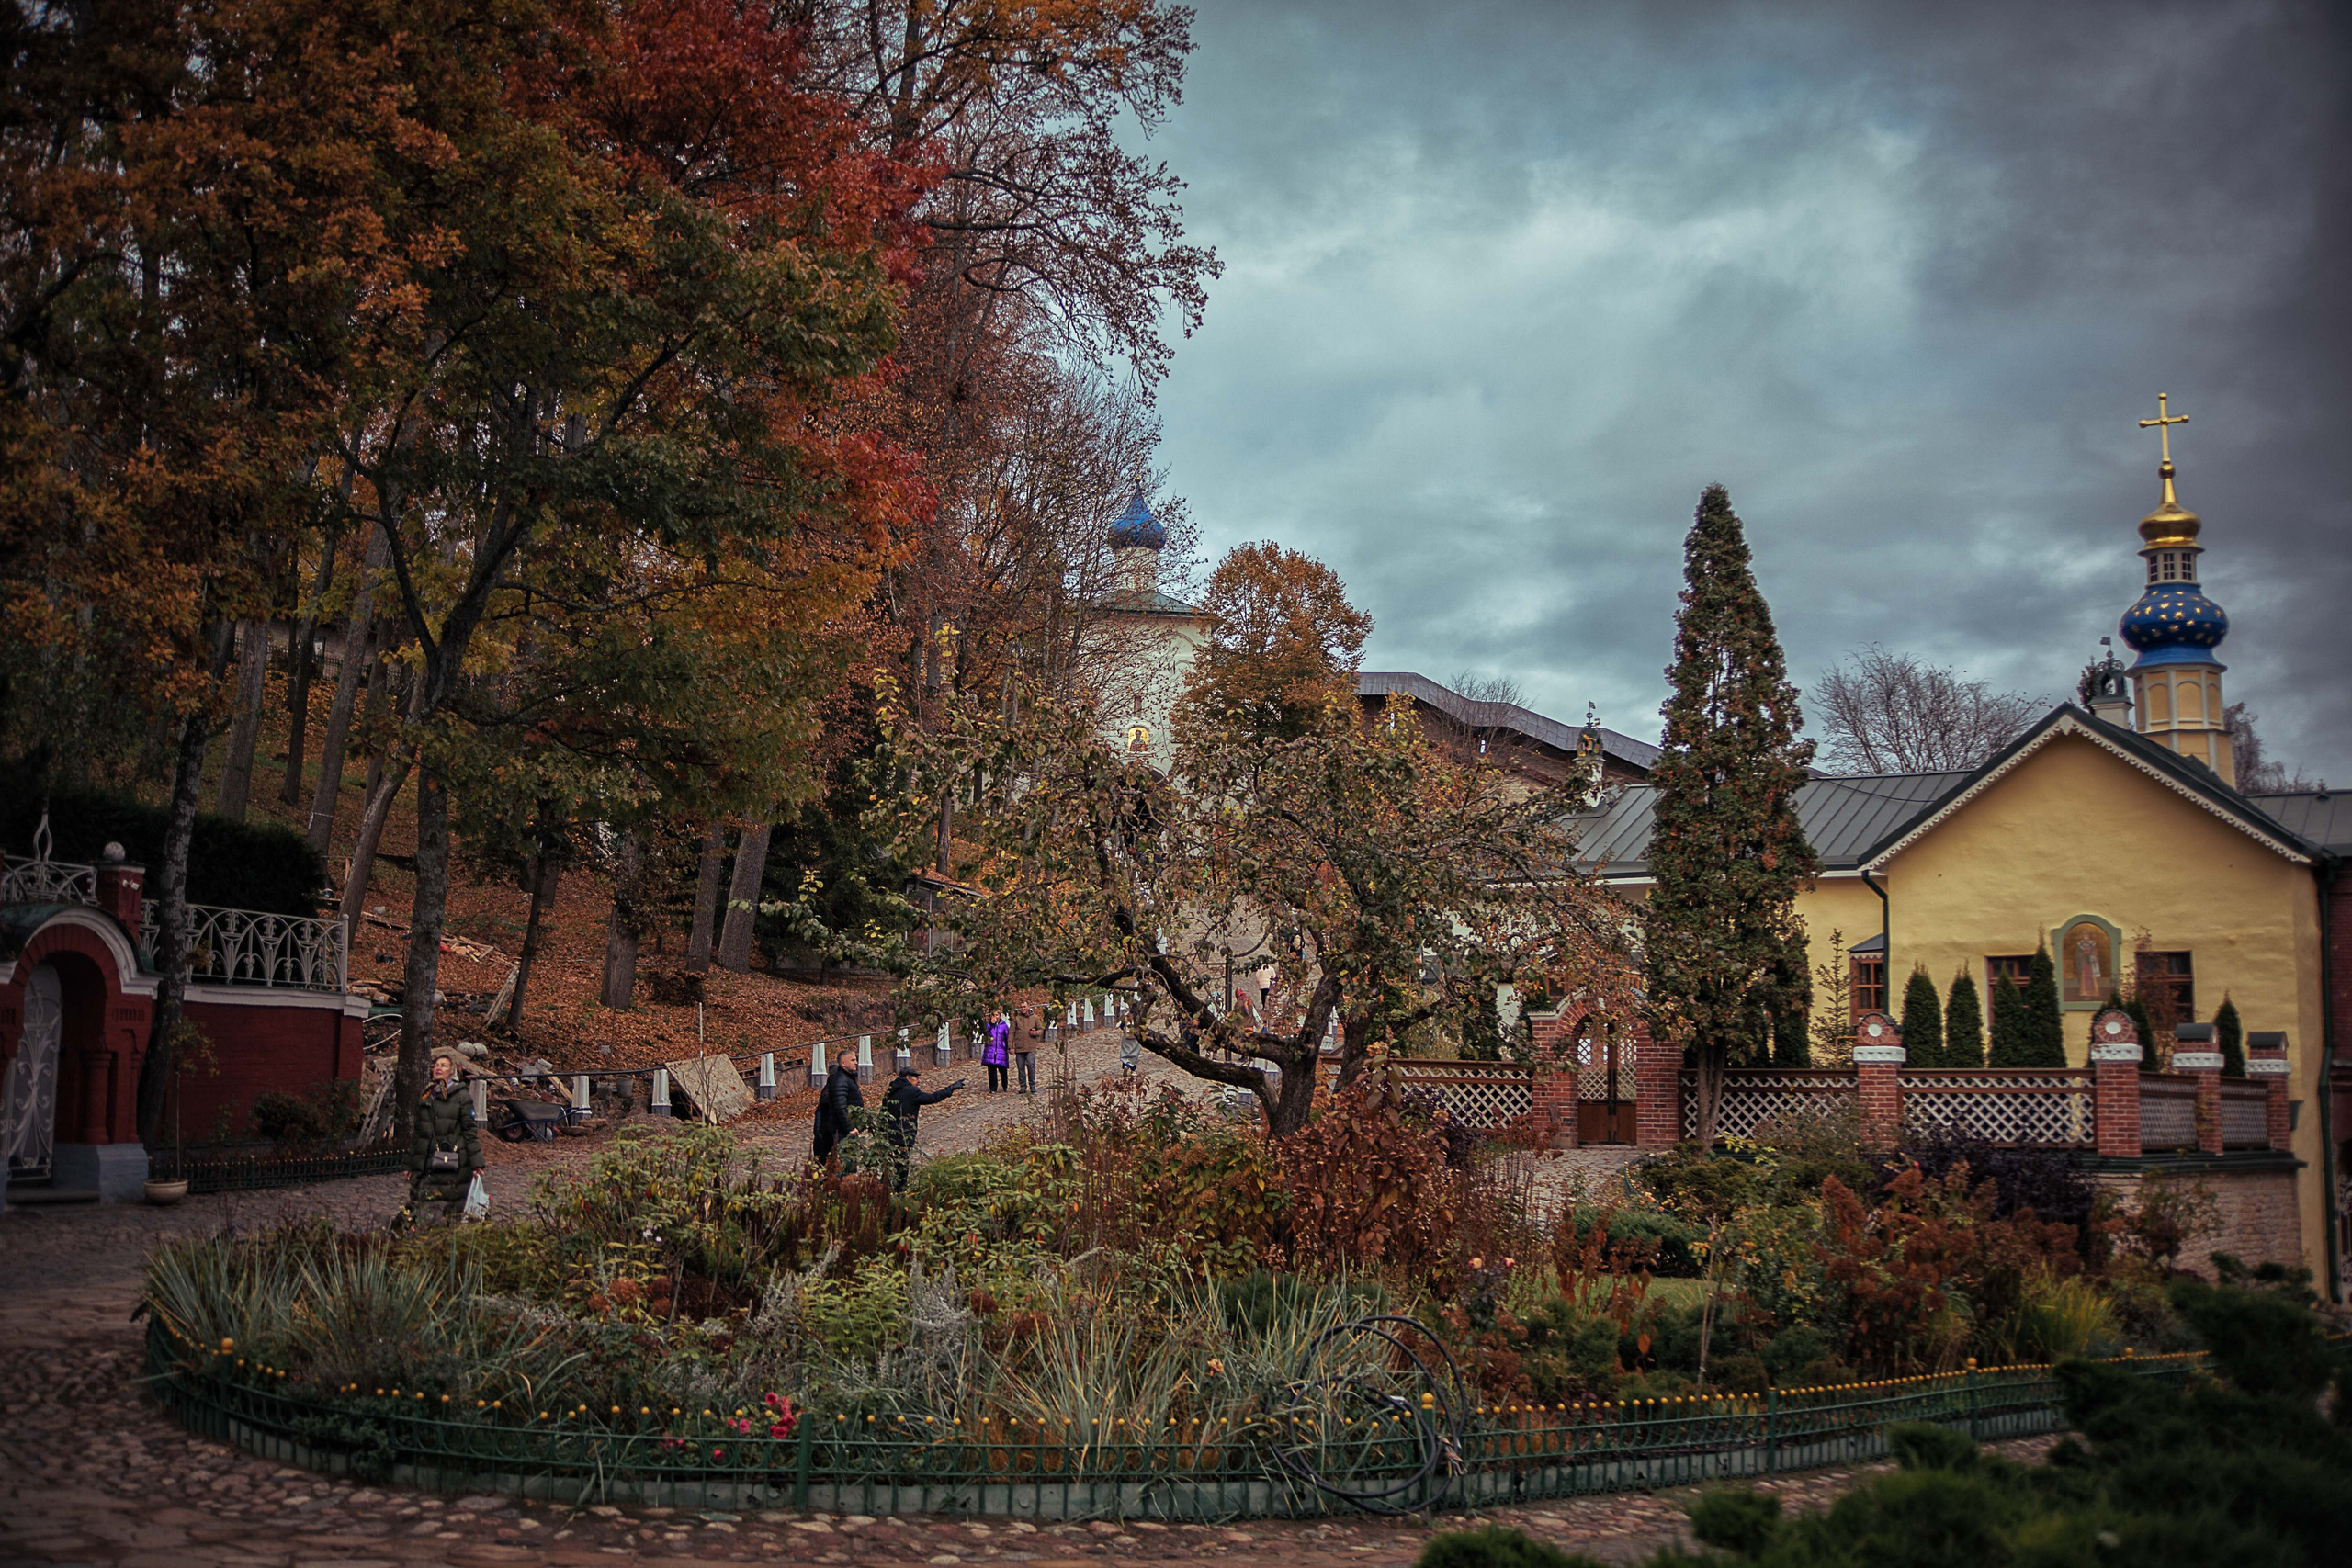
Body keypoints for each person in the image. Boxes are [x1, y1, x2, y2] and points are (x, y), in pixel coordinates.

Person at [398, 1049, 482, 1231]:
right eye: (436, 1065)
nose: (438, 1068)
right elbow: (419, 1134)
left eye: (443, 1065)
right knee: (423, 1204)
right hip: (428, 1162)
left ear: (451, 1072)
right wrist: (410, 1164)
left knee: (448, 1208)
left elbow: (470, 1131)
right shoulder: (427, 1097)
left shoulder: (462, 1097)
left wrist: (477, 1163)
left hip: (452, 1164)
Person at [880, 1064, 964, 1190]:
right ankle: (898, 1192)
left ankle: (881, 1188)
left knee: (890, 1163)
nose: (918, 1081)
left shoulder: (891, 1089)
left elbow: (883, 1111)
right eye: (916, 1078)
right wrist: (950, 1089)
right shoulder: (912, 1091)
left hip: (890, 1132)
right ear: (908, 1078)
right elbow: (932, 1098)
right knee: (902, 1166)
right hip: (904, 1134)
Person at [812, 1048, 862, 1172]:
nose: (856, 1062)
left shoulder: (846, 1079)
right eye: (852, 1060)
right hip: (841, 1130)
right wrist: (849, 1127)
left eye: (856, 1059)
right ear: (843, 1063)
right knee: (844, 1165)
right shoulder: (841, 1080)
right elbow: (840, 1106)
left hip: (840, 1129)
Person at [983, 1008, 1012, 1093]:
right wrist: (991, 1024)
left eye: (997, 1015)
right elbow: (985, 1033)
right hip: (990, 1050)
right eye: (993, 1015)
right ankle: (993, 1088)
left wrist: (1009, 1047)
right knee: (991, 1071)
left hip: (1001, 1050)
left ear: (999, 1016)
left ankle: (1005, 1085)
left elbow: (1007, 1037)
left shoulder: (1004, 1025)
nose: (995, 1017)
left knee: (1003, 1070)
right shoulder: (988, 1025)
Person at [1014, 1003, 1040, 1096]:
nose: (1023, 1008)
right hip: (1019, 1047)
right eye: (1021, 1007)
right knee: (1020, 1067)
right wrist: (1010, 1046)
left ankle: (1032, 1085)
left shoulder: (1035, 1018)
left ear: (1028, 1007)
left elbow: (1041, 1029)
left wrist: (1035, 1032)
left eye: (1024, 1007)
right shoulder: (1017, 1018)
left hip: (1030, 1046)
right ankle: (1023, 1086)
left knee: (1030, 1065)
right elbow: (1011, 1032)